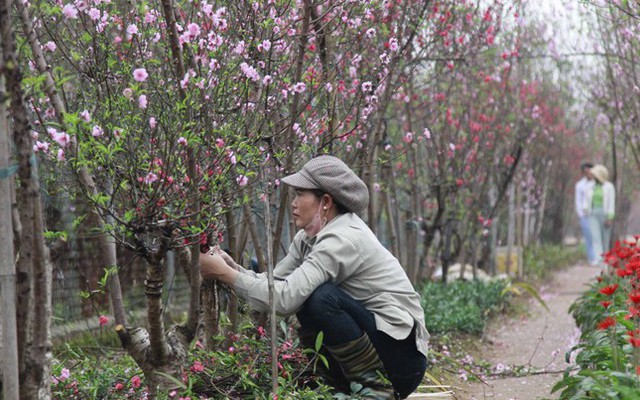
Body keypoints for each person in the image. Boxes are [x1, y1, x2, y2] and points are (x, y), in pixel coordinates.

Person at [199, 155, 429, 399]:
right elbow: (276, 284)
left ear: (326, 202)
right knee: (307, 294)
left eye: (300, 194)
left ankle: (375, 390)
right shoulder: (309, 237)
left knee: (320, 298)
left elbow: (285, 300)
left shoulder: (342, 239)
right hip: (379, 346)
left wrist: (224, 274)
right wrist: (233, 267)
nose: (293, 203)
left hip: (403, 362)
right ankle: (335, 386)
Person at [586, 164, 615, 267]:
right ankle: (598, 259)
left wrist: (610, 217)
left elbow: (611, 202)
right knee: (596, 237)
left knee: (605, 238)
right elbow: (587, 201)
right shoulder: (591, 186)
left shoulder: (609, 187)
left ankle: (605, 261)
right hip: (593, 213)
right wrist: (586, 210)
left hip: (605, 213)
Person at [575, 162, 595, 264]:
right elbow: (578, 200)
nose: (588, 172)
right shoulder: (579, 185)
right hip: (585, 214)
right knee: (588, 236)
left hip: (595, 214)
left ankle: (598, 257)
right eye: (586, 171)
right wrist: (580, 214)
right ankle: (591, 258)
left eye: (589, 170)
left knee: (596, 236)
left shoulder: (596, 184)